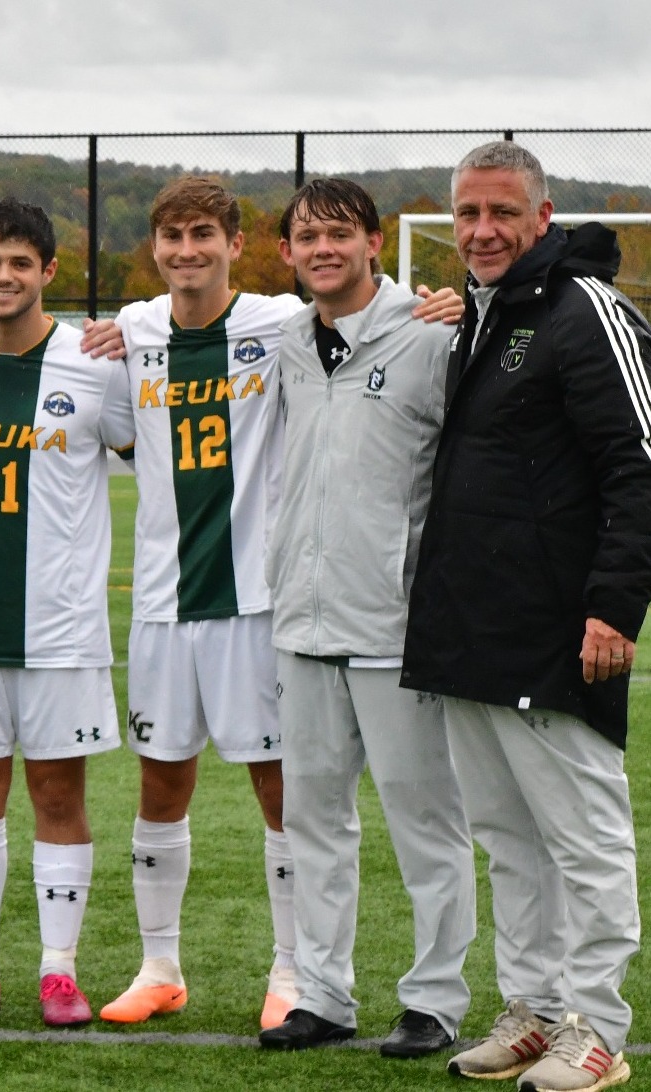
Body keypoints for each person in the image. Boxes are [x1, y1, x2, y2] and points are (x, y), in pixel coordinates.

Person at [403, 141, 651, 1092]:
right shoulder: (484, 312)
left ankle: (595, 1026)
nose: (480, 231)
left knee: (582, 838)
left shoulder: (586, 311)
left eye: (501, 213)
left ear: (541, 217)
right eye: (467, 213)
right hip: (468, 626)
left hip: (558, 628)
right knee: (506, 835)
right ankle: (536, 1010)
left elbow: (636, 467)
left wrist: (613, 606)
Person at [254, 178, 474, 1058]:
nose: (322, 249)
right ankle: (323, 994)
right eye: (306, 237)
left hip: (395, 625)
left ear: (374, 242)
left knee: (425, 819)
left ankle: (434, 999)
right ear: (287, 253)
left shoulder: (431, 332)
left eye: (338, 234)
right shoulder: (284, 343)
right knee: (312, 819)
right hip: (301, 625)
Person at [96, 177, 306, 1031]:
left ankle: (293, 972)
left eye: (202, 236)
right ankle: (158, 966)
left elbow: (368, 306)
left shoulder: (280, 322)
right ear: (156, 248)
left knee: (278, 789)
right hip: (159, 604)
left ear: (233, 243)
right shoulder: (134, 331)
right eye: (171, 237)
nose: (186, 251)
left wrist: (432, 300)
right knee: (160, 781)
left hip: (253, 601)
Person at [0, 198, 131, 1027]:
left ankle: (57, 970)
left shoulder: (95, 363)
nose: (2, 276)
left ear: (48, 272)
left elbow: (137, 441)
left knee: (57, 794)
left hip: (62, 628)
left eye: (19, 263)